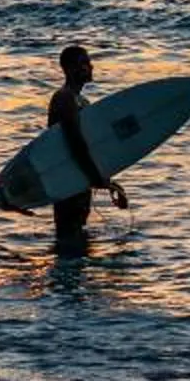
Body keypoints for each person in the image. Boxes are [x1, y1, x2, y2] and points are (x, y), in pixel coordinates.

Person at [47, 43, 126, 255]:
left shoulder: (83, 101)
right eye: (84, 63)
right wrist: (95, 177)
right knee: (68, 236)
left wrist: (109, 183)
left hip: (81, 179)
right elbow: (76, 144)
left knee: (79, 235)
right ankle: (64, 284)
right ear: (70, 68)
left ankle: (72, 285)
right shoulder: (64, 98)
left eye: (89, 62)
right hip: (67, 180)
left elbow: (92, 146)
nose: (90, 67)